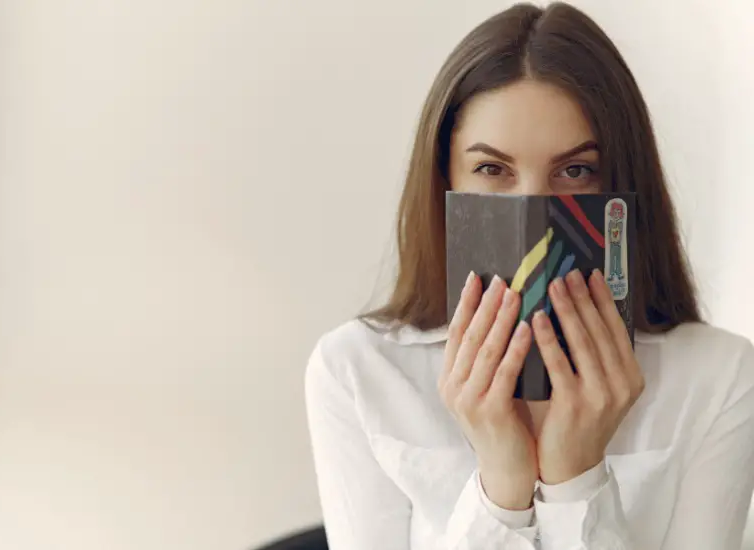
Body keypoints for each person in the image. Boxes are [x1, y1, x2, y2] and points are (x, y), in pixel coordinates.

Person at [304, 3, 754, 549]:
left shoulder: (720, 377)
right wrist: (502, 484)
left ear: (623, 187)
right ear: (446, 180)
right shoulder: (358, 372)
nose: (535, 213)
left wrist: (576, 476)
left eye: (576, 171)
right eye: (493, 169)